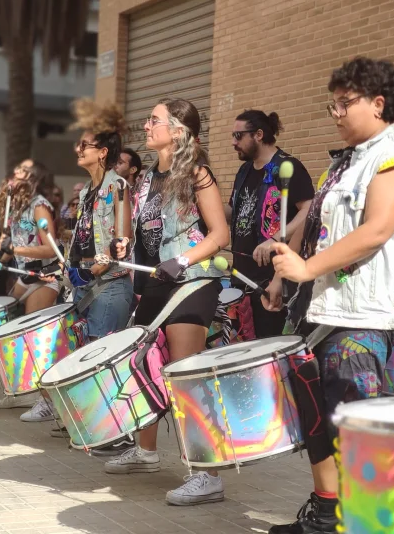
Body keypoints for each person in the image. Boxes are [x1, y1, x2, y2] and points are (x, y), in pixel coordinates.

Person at [263, 57, 394, 534]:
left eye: (345, 103)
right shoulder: (346, 162)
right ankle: (325, 516)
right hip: (321, 310)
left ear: (379, 104)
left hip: (365, 316)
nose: (335, 113)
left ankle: (369, 525)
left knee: (356, 430)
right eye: (331, 104)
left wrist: (306, 268)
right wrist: (285, 276)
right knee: (316, 419)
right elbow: (317, 225)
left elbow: (377, 230)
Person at [104, 98, 231, 506]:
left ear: (178, 131)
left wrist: (183, 259)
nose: (146, 126)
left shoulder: (197, 173)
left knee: (183, 376)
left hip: (192, 279)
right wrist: (126, 244)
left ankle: (207, 474)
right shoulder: (146, 180)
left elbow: (219, 235)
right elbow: (148, 231)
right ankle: (145, 451)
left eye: (154, 120)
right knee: (141, 362)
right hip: (158, 279)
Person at [225, 110, 314, 338]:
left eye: (238, 135)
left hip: (273, 279)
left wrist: (275, 241)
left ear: (258, 134)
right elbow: (235, 213)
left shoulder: (287, 167)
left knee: (269, 354)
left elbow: (309, 210)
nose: (233, 142)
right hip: (242, 279)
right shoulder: (244, 171)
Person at [0, 161, 63, 418]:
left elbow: (50, 248)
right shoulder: (17, 207)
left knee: (36, 339)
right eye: (16, 170)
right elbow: (14, 245)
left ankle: (47, 402)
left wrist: (16, 250)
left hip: (44, 276)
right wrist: (0, 263)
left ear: (33, 178)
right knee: (10, 334)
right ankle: (19, 392)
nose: (16, 174)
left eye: (23, 171)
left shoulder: (39, 206)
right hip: (24, 275)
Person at [66, 98, 134, 340]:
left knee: (97, 367)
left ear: (103, 152)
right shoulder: (86, 191)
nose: (78, 149)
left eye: (85, 145)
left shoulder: (118, 186)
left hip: (109, 286)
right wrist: (70, 266)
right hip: (83, 283)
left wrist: (99, 265)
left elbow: (124, 238)